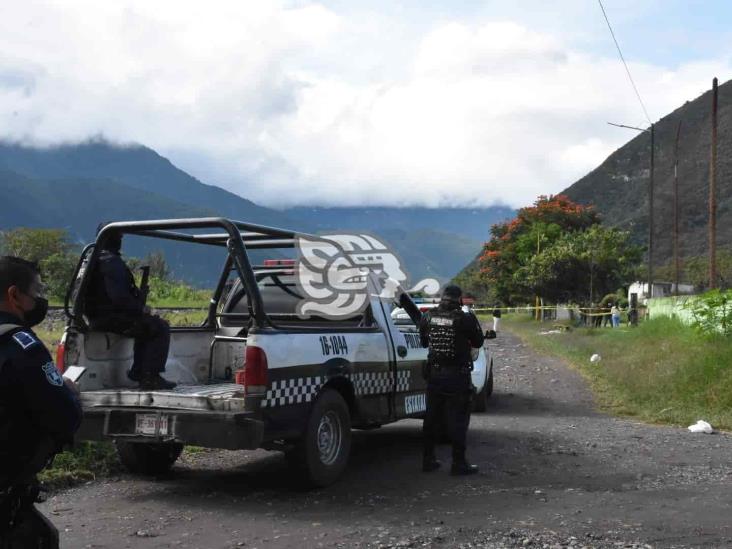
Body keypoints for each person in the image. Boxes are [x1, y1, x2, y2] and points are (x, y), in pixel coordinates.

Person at [0, 256, 83, 548]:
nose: (40, 300)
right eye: (36, 293)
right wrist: (68, 391)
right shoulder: (21, 345)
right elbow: (65, 416)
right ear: (14, 296)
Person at [84, 228, 175, 390]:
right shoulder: (111, 261)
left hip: (96, 316)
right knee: (159, 326)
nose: (121, 241)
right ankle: (149, 377)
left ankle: (139, 372)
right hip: (110, 318)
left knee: (145, 327)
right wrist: (141, 309)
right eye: (119, 237)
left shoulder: (91, 259)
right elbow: (119, 297)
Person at [419, 284, 485, 475]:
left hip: (434, 375)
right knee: (458, 419)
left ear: (442, 297)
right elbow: (479, 342)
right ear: (459, 299)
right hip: (457, 376)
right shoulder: (464, 318)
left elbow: (424, 342)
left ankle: (428, 460)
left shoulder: (428, 316)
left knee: (431, 419)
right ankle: (458, 463)